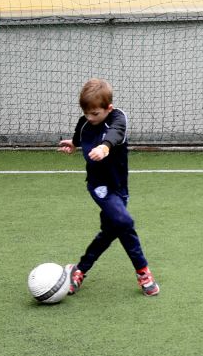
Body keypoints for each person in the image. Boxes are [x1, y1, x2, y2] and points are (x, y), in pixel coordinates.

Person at [58, 78, 159, 296]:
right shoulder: (84, 123)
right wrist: (73, 144)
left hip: (120, 186)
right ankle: (143, 271)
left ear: (108, 108)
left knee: (111, 230)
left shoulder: (118, 118)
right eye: (86, 113)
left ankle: (79, 269)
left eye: (95, 113)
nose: (90, 118)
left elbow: (116, 133)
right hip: (99, 186)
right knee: (124, 222)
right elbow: (79, 135)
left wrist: (104, 147)